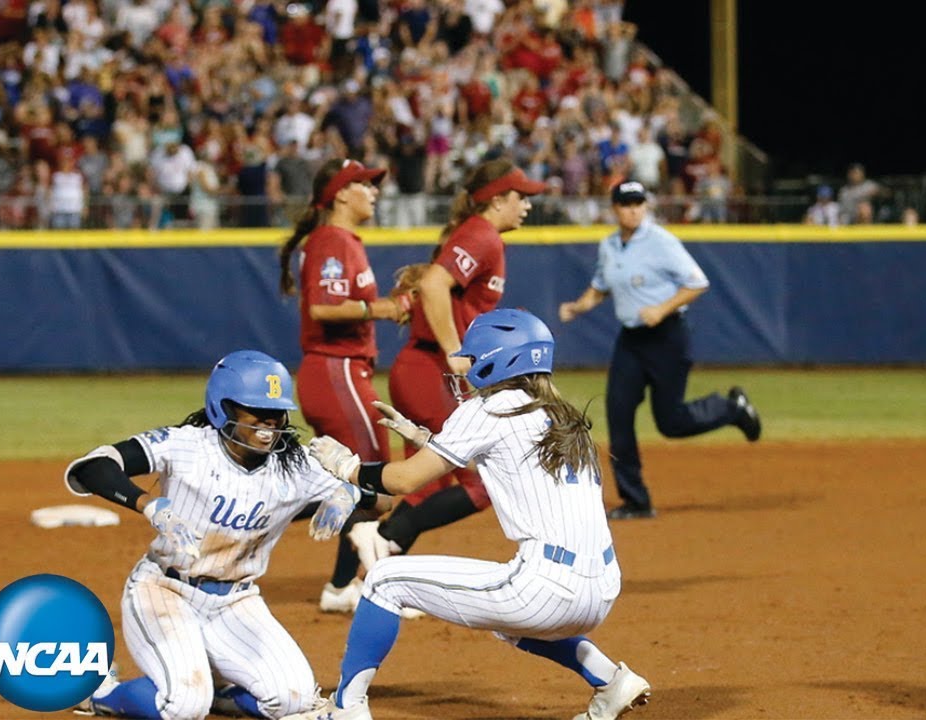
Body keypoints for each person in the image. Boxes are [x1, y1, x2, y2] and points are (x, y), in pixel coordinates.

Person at [296, 309, 652, 720]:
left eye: (473, 356)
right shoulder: (563, 416)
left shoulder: (491, 409)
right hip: (602, 589)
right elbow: (505, 464)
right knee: (508, 621)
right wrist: (425, 439)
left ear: (497, 359)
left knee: (382, 580)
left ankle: (345, 709)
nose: (465, 366)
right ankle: (610, 681)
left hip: (545, 590)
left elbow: (406, 480)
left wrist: (349, 469)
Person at [64, 350, 373, 719]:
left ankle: (218, 696)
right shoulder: (186, 446)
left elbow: (382, 499)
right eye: (256, 411)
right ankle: (103, 693)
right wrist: (149, 503)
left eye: (276, 413)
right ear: (222, 408)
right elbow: (93, 467)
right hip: (164, 591)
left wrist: (351, 489)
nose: (268, 423)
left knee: (294, 699)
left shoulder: (295, 464)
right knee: (182, 707)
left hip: (237, 602)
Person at [354, 159, 547, 567]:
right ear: (496, 200)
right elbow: (433, 283)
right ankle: (379, 537)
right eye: (521, 196)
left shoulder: (479, 234)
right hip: (428, 370)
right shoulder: (483, 234)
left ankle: (367, 576)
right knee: (481, 484)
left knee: (427, 483)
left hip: (420, 369)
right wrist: (453, 349)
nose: (527, 204)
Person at [558, 180, 762, 520]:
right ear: (615, 209)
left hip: (667, 336)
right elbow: (600, 286)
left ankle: (731, 409)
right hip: (631, 340)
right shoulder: (609, 245)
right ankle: (636, 500)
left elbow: (697, 282)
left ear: (646, 206)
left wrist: (661, 309)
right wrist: (579, 306)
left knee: (670, 421)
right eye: (626, 204)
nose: (634, 209)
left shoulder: (661, 241)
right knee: (618, 414)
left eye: (639, 203)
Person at [278, 158, 406, 613]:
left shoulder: (342, 240)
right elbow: (324, 309)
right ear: (339, 194)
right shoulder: (332, 240)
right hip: (337, 370)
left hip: (341, 372)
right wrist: (383, 309)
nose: (373, 191)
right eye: (364, 184)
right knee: (377, 487)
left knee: (358, 487)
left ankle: (341, 585)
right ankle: (363, 583)